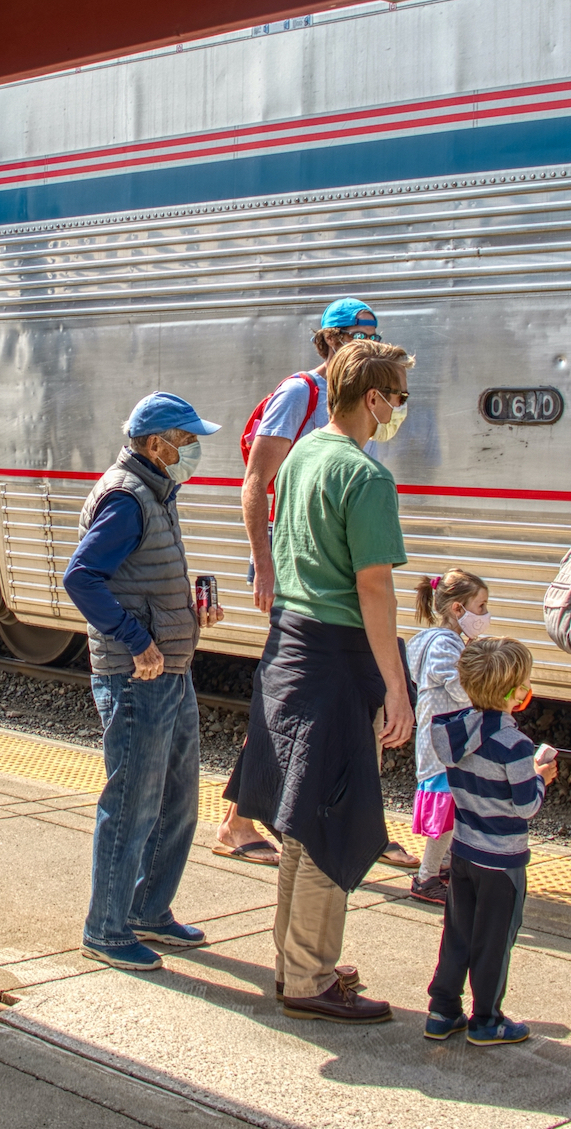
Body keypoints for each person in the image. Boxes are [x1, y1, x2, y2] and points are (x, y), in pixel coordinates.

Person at [233, 338, 416, 1023]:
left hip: (291, 649)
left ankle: (295, 962)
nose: (399, 408)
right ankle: (309, 979)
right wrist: (396, 687)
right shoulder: (366, 478)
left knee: (301, 820)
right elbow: (376, 590)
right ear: (372, 399)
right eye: (397, 396)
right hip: (340, 662)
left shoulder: (305, 453)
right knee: (331, 822)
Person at [221, 297, 416, 869]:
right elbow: (258, 480)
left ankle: (359, 825)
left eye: (372, 332)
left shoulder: (354, 411)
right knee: (287, 701)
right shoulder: (300, 394)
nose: (364, 340)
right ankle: (238, 822)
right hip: (298, 570)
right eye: (355, 332)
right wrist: (263, 560)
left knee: (317, 702)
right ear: (328, 340)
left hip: (322, 563)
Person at [63, 392, 226, 972]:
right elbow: (81, 578)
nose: (194, 450)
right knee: (132, 804)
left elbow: (138, 576)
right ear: (157, 444)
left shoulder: (157, 491)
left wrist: (185, 609)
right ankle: (105, 928)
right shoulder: (128, 499)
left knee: (178, 799)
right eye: (187, 440)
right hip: (138, 676)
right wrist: (138, 640)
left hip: (170, 671)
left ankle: (148, 910)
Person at [423, 637, 558, 1047]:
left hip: (463, 851)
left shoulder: (454, 734)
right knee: (495, 942)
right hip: (503, 860)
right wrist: (540, 777)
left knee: (458, 933)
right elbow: (525, 806)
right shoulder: (515, 746)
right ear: (513, 692)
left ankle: (442, 1010)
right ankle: (487, 1020)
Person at [406, 568, 489, 906]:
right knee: (445, 815)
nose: (484, 614)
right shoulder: (444, 645)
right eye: (480, 606)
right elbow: (455, 688)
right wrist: (484, 694)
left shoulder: (437, 640)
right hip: (443, 744)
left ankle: (441, 867)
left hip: (441, 739)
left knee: (449, 811)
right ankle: (426, 877)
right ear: (458, 609)